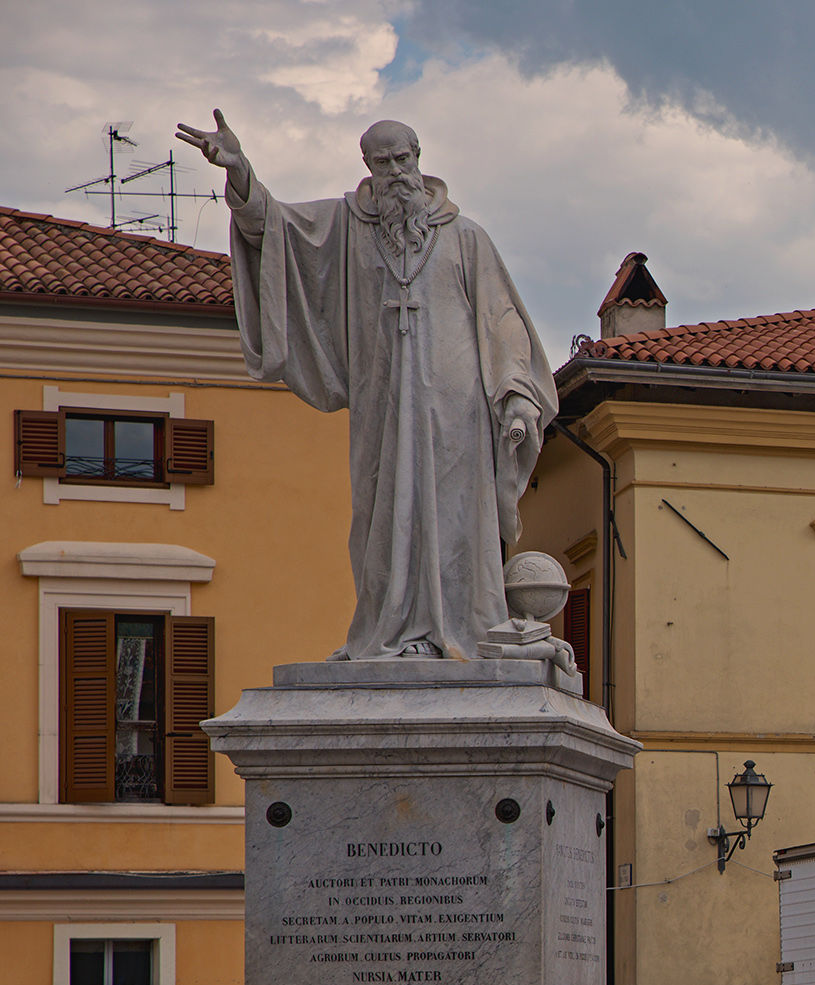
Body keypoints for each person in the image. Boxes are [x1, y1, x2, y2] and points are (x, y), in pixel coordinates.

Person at [174, 111, 555, 662]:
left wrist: (517, 395)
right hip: (383, 406)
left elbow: (503, 324)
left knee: (455, 523)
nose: (398, 172)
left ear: (420, 158)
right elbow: (272, 229)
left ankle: (457, 631)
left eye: (405, 159)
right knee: (384, 519)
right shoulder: (345, 227)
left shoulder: (467, 239)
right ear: (367, 166)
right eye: (384, 162)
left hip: (458, 414)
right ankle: (392, 629)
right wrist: (239, 173)